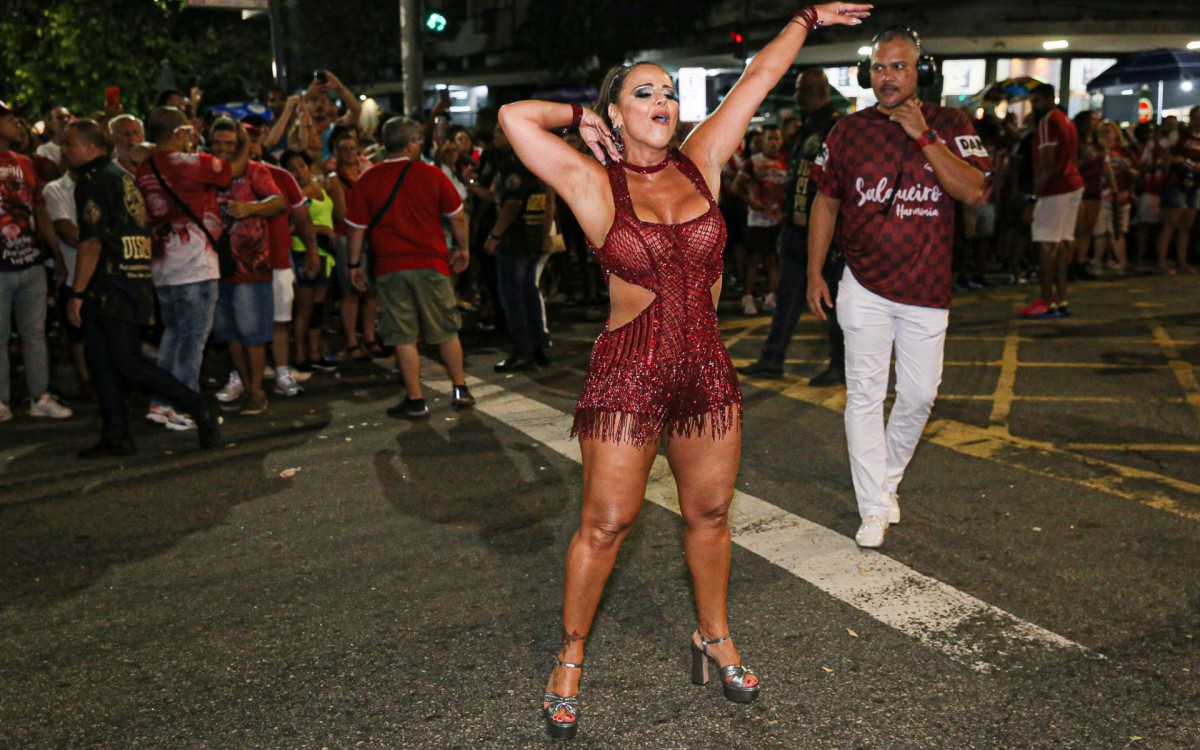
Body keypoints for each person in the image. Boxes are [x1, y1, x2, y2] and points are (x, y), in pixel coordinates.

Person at [498, 3, 871, 739]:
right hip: (627, 375)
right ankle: (570, 657)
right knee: (606, 524)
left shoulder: (702, 160)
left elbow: (758, 79)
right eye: (643, 92)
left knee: (711, 514)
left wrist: (806, 18)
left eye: (668, 91)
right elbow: (514, 117)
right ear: (615, 113)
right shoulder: (591, 181)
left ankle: (714, 635)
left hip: (706, 371)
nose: (662, 101)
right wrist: (579, 116)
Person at [807, 26, 990, 550]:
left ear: (920, 71)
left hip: (927, 288)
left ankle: (886, 482)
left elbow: (974, 190)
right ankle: (872, 506)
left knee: (918, 395)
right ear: (867, 74)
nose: (887, 77)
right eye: (879, 67)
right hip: (862, 284)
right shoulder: (847, 131)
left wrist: (923, 135)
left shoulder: (952, 124)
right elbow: (826, 201)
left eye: (899, 67)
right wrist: (814, 271)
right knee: (864, 396)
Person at [60, 119, 219, 456]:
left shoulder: (93, 182)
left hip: (110, 286)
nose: (64, 150)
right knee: (101, 361)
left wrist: (76, 293)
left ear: (89, 146)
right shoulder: (120, 177)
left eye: (69, 144)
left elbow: (91, 242)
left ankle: (196, 405)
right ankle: (116, 433)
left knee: (126, 361)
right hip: (131, 279)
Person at [344, 117, 475, 419]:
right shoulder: (431, 174)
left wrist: (354, 265)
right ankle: (460, 387)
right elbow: (457, 216)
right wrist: (463, 249)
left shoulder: (368, 179)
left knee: (402, 335)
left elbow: (356, 229)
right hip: (432, 263)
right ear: (412, 144)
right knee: (445, 329)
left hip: (390, 266)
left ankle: (415, 399)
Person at [738, 67, 845, 383]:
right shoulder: (808, 125)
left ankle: (840, 364)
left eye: (801, 91)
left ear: (815, 91)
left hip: (824, 233)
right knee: (787, 298)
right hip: (797, 229)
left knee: (832, 300)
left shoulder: (835, 126)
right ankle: (772, 359)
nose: (797, 97)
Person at [137, 106, 239, 430]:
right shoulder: (191, 163)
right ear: (180, 133)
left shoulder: (145, 167)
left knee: (172, 338)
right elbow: (229, 171)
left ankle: (162, 403)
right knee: (192, 344)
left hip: (163, 268)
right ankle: (185, 405)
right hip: (195, 266)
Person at [0, 99, 74, 422]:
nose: (17, 125)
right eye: (9, 119)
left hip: (30, 262)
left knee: (35, 334)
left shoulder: (25, 163)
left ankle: (39, 397)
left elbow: (40, 210)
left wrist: (56, 254)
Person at [208, 119, 286, 416]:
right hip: (215, 268)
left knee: (252, 335)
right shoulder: (206, 171)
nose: (223, 149)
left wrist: (250, 208)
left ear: (239, 145)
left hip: (251, 267)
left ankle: (256, 392)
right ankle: (246, 386)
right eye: (218, 143)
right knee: (229, 335)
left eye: (230, 143)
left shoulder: (255, 171)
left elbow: (278, 202)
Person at [1017, 83, 1083, 319]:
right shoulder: (1067, 120)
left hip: (1054, 188)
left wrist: (1033, 198)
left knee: (1045, 243)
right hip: (1073, 184)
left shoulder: (1047, 122)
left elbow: (1046, 162)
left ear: (1047, 99)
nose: (1033, 106)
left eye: (1035, 101)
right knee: (1063, 241)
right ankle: (1060, 298)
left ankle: (1046, 301)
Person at [732, 123, 786, 314]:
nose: (773, 143)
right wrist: (751, 201)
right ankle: (748, 298)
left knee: (773, 258)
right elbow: (736, 187)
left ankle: (771, 296)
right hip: (756, 220)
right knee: (753, 258)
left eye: (776, 138)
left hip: (778, 220)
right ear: (762, 142)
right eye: (769, 138)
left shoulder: (786, 162)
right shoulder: (753, 162)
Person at [1157, 106, 1200, 275]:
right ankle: (1162, 262)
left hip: (1195, 183)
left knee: (1187, 224)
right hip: (1177, 182)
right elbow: (1160, 146)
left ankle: (1182, 261)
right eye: (1195, 117)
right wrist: (1172, 158)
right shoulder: (1180, 135)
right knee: (1171, 222)